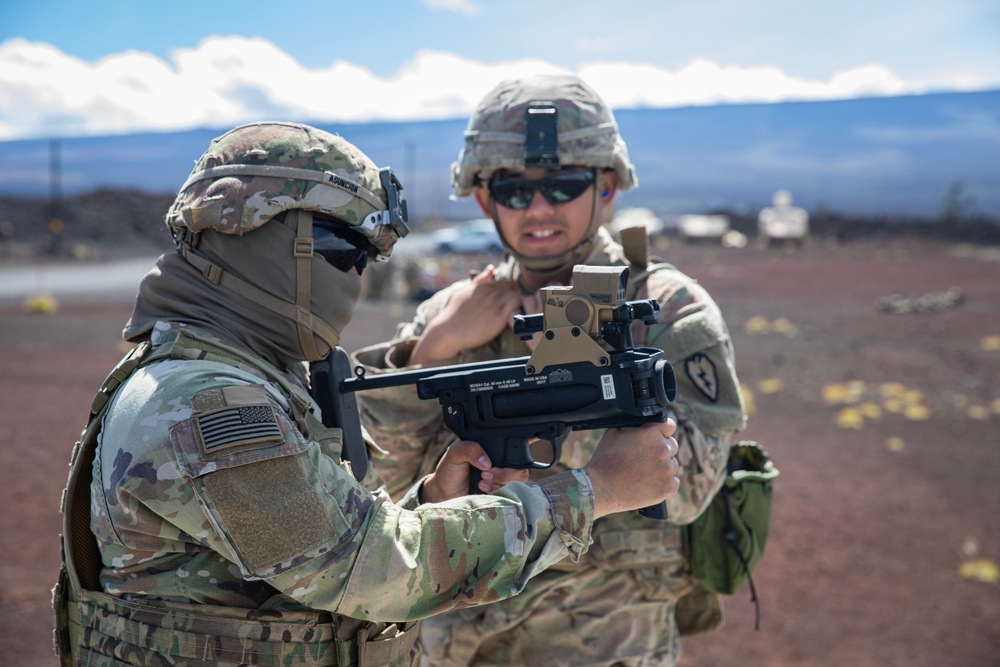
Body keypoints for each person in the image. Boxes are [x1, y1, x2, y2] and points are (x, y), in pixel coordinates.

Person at [51, 121, 682, 666]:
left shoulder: (248, 377)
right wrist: (593, 492)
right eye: (343, 250)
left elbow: (317, 552)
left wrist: (432, 503)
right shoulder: (205, 402)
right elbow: (368, 569)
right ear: (257, 235)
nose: (355, 277)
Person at [352, 75, 746, 666]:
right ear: (485, 201)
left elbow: (685, 488)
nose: (538, 208)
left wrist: (572, 379)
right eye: (514, 191)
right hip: (458, 641)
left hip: (602, 642)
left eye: (562, 185)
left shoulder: (665, 307)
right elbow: (376, 485)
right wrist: (432, 350)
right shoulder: (449, 314)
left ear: (606, 186)